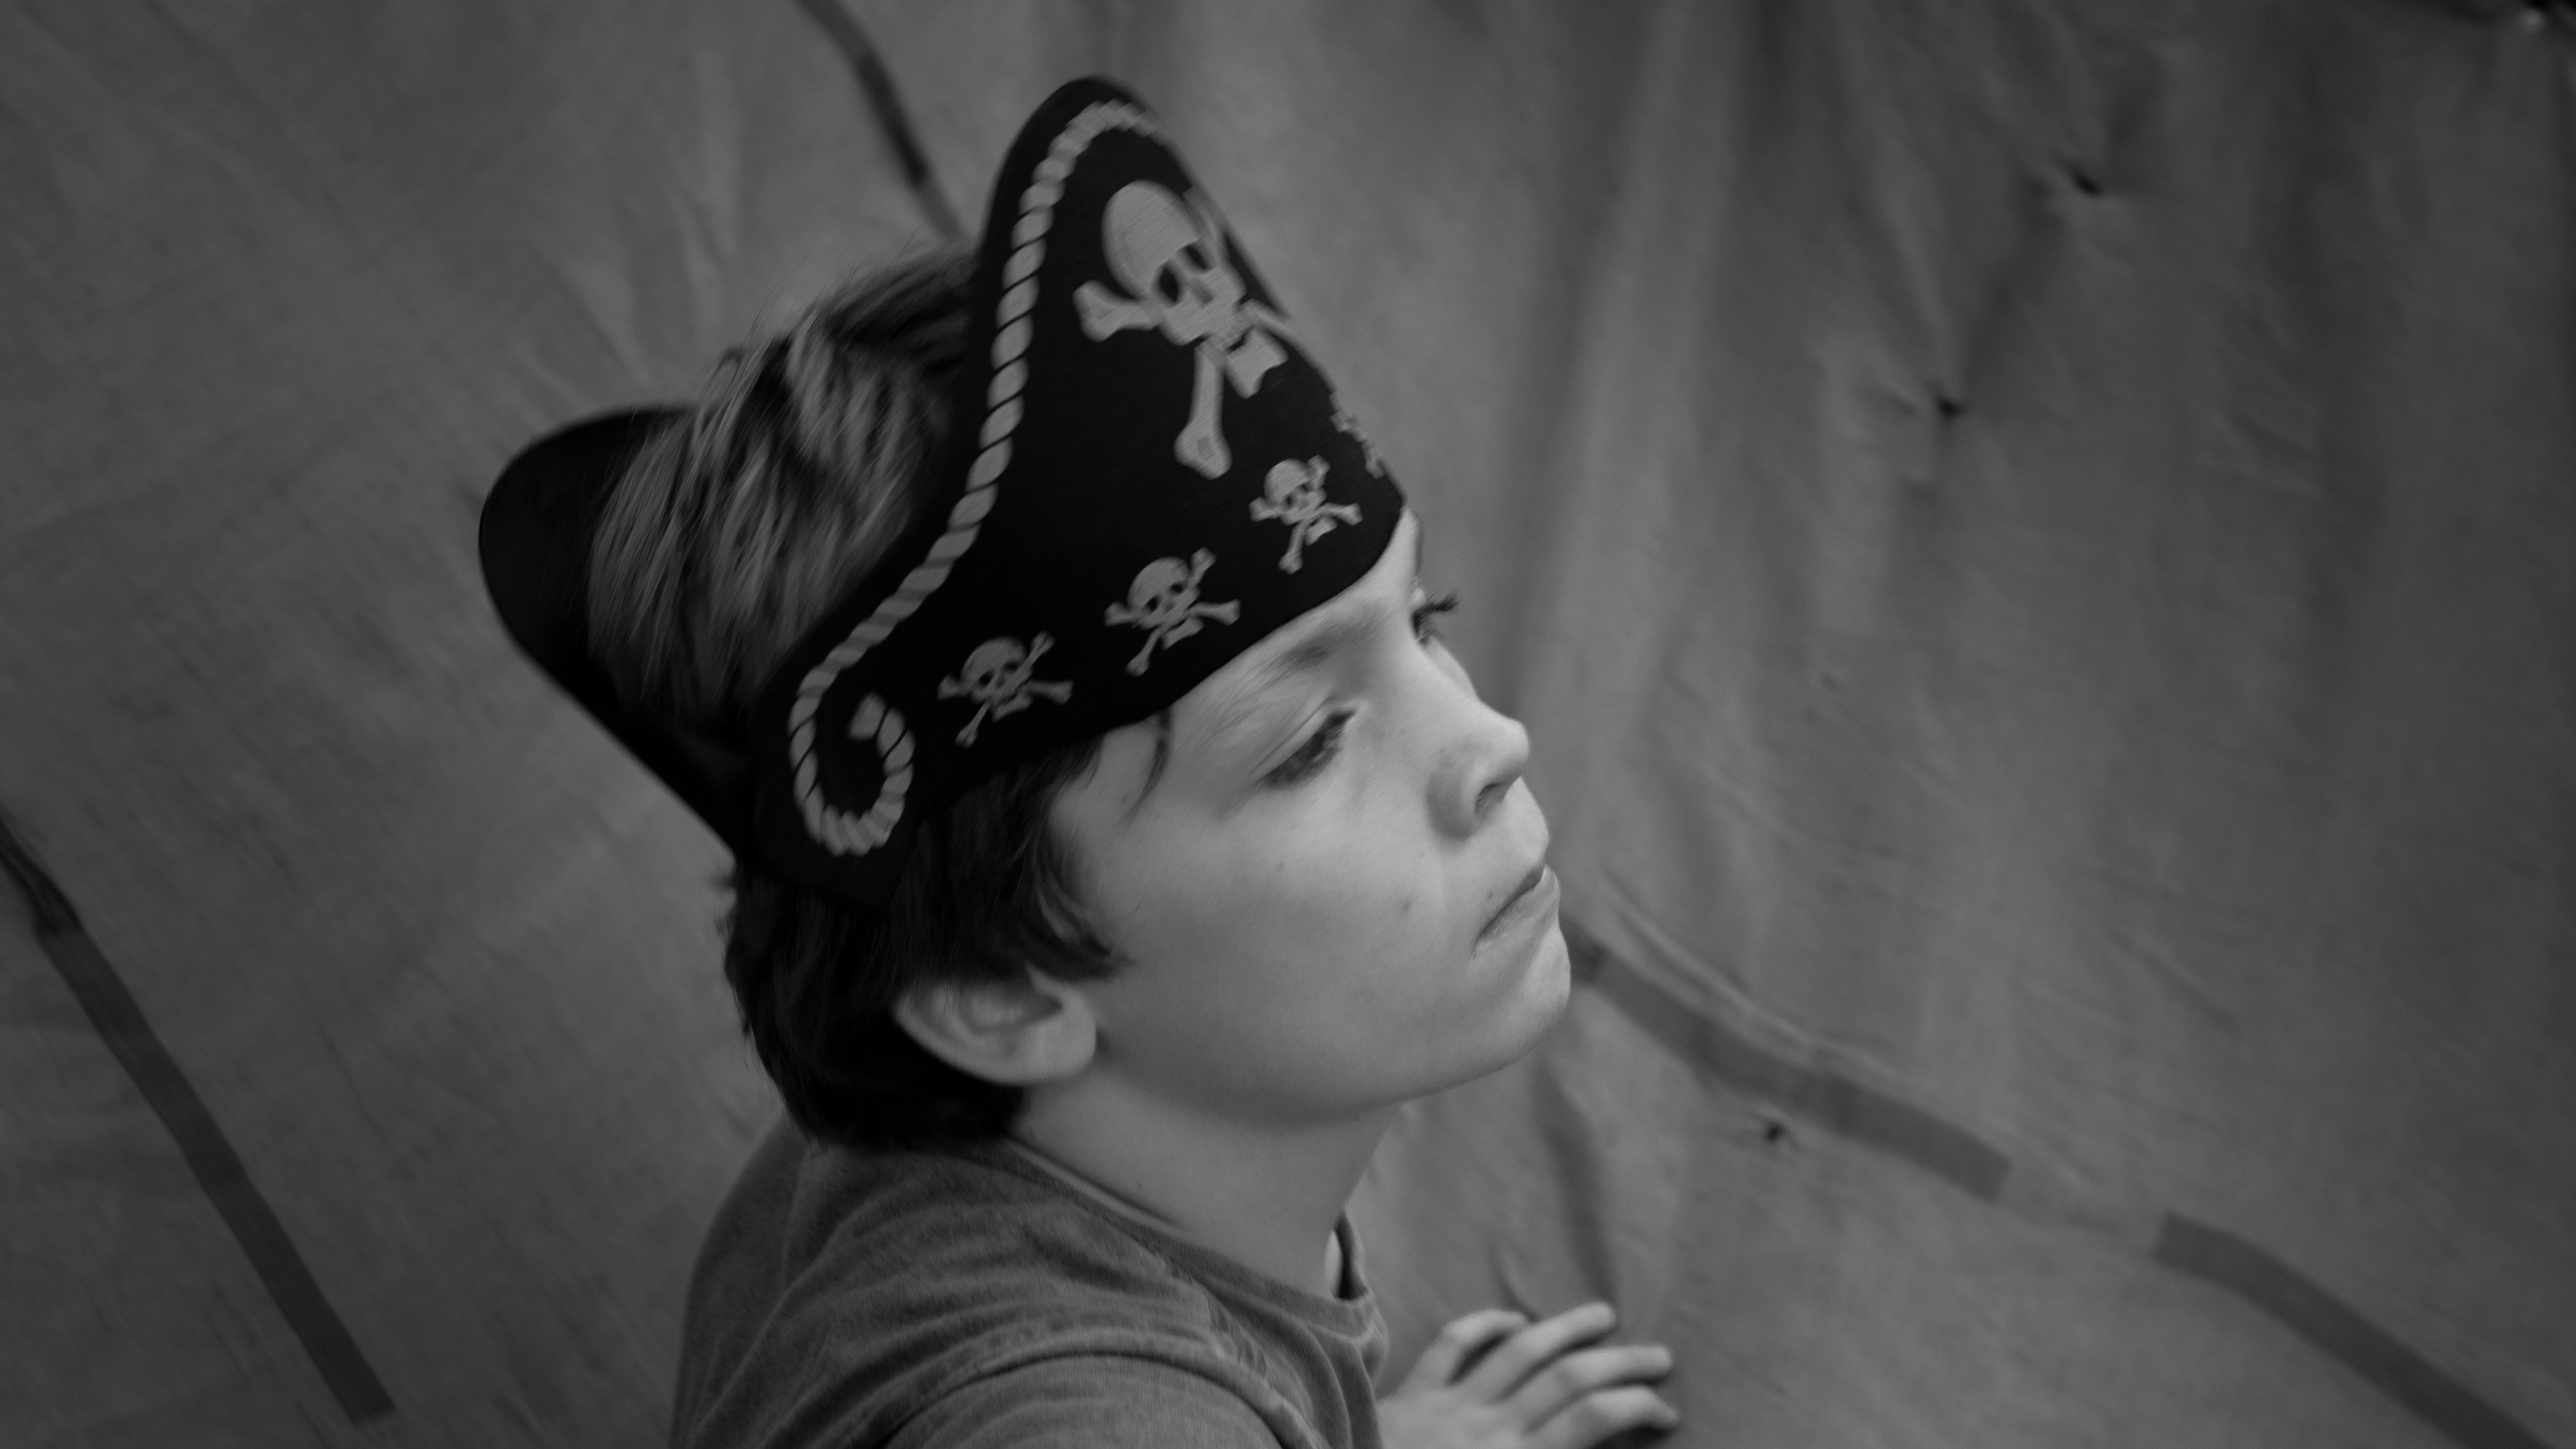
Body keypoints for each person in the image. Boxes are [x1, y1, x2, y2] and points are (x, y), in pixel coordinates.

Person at [484, 76, 1680, 1449]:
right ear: (999, 994)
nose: (1490, 742)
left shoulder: (935, 1143)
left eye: (1423, 621)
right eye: (1310, 742)